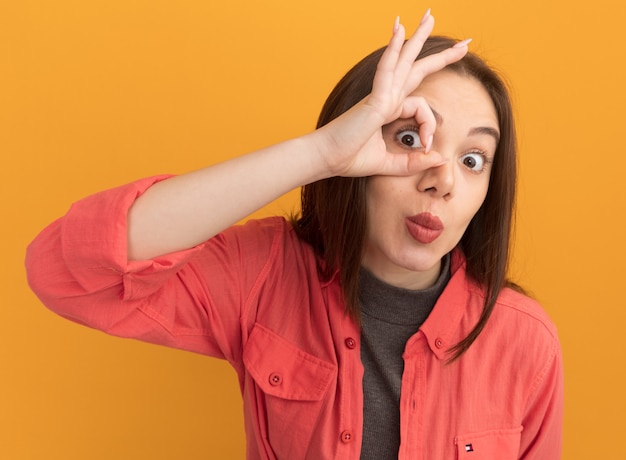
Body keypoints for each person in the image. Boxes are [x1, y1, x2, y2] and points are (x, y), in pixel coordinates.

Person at [25, 9, 563, 459]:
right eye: (409, 136)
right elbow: (66, 272)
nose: (442, 180)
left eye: (473, 159)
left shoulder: (525, 342)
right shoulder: (266, 277)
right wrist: (319, 155)